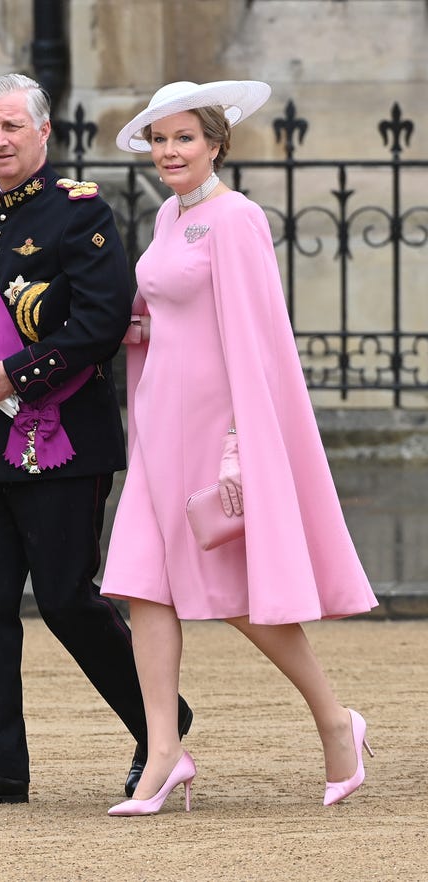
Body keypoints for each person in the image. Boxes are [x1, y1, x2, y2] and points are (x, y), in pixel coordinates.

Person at [100, 80, 378, 817]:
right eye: (159, 140)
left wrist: (242, 439)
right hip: (159, 424)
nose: (169, 152)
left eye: (184, 138)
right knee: (142, 584)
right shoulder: (167, 214)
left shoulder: (239, 218)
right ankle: (164, 755)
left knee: (237, 599)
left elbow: (258, 341)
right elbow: (170, 312)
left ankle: (333, 720)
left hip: (215, 429)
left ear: (217, 143)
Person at [0, 73, 192, 808]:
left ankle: (161, 727)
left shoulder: (81, 214)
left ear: (45, 133)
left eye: (13, 127)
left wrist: (15, 377)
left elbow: (101, 324)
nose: (0, 141)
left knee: (69, 599)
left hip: (63, 433)